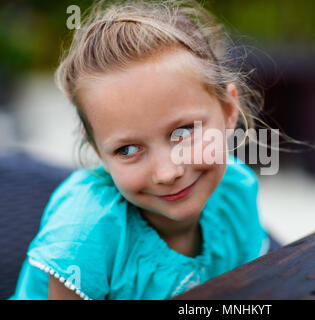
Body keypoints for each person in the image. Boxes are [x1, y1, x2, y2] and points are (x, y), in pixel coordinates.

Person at [10, 0, 273, 300]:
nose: (167, 172)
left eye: (184, 132)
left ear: (228, 110)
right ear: (97, 150)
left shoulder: (235, 191)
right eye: (128, 149)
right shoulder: (85, 235)